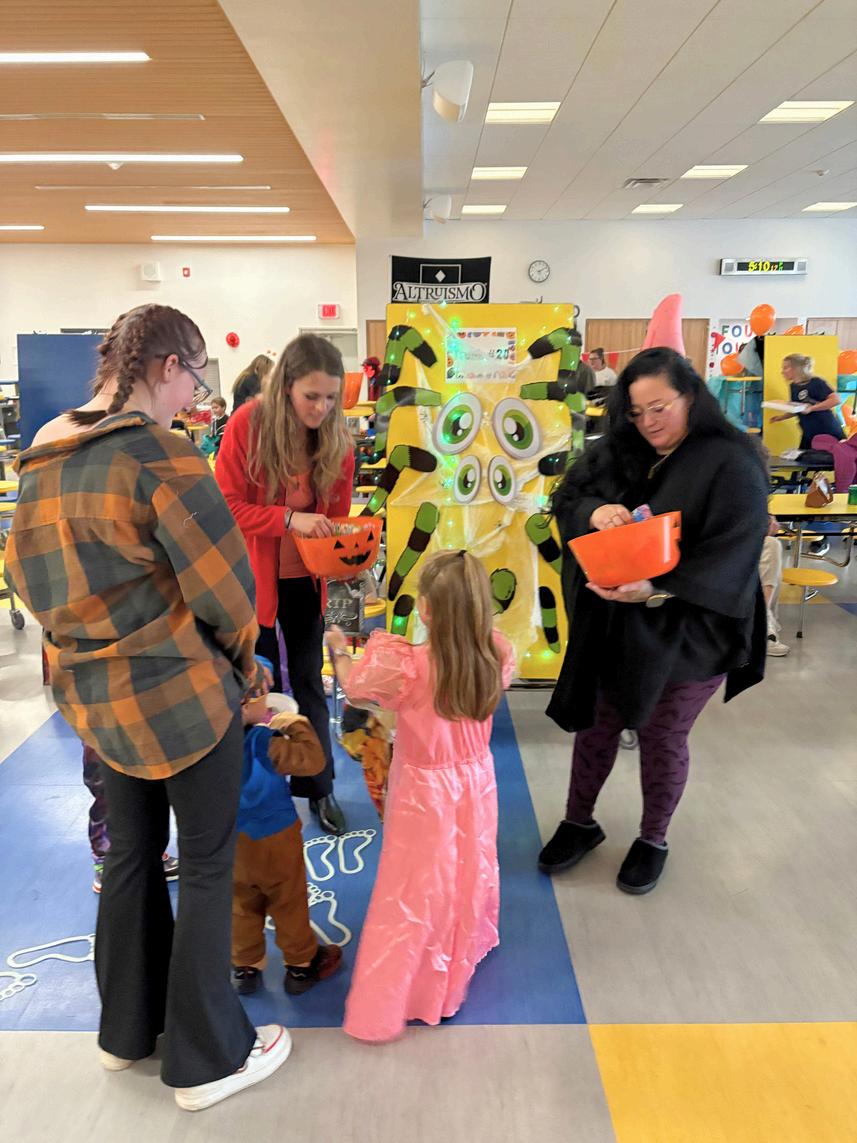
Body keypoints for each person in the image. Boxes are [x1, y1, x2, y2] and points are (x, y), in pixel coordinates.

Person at [4, 304, 290, 1111]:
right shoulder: (161, 455)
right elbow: (227, 593)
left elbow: (27, 579)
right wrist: (245, 670)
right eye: (193, 379)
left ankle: (124, 1030)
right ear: (169, 367)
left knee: (129, 856)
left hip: (96, 700)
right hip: (181, 696)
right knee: (204, 864)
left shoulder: (44, 450)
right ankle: (207, 1058)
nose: (194, 398)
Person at [539, 347, 769, 895]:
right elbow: (566, 498)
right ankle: (579, 822)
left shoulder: (731, 463)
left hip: (693, 629)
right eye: (637, 412)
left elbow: (732, 552)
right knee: (596, 724)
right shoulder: (619, 447)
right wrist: (594, 512)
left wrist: (658, 586)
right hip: (616, 623)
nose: (649, 423)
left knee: (662, 734)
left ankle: (653, 838)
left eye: (660, 407)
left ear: (691, 396)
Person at [326, 550, 515, 1043]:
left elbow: (356, 690)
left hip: (423, 791)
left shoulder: (407, 666)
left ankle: (404, 992)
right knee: (469, 864)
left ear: (426, 610)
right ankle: (461, 947)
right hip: (477, 781)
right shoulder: (497, 651)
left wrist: (340, 651)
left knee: (413, 886)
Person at [216, 334, 355, 836]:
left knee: (310, 683)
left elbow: (337, 516)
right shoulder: (247, 426)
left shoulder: (336, 439)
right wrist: (288, 519)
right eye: (311, 396)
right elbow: (227, 505)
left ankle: (319, 786)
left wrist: (345, 546)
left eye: (331, 398)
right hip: (253, 583)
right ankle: (256, 791)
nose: (321, 408)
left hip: (305, 583)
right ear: (286, 388)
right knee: (255, 688)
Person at [232, 696, 343, 997]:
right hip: (276, 835)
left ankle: (245, 966)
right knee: (288, 899)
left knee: (240, 902)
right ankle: (301, 965)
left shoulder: (205, 741)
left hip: (230, 840)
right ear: (244, 706)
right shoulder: (264, 742)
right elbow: (313, 760)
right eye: (261, 695)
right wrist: (295, 723)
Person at [82, 743, 179, 893]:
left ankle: (150, 854)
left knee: (147, 787)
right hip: (104, 739)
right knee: (109, 794)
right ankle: (106, 865)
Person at [770, 354, 843, 450]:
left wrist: (812, 408)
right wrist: (781, 417)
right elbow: (798, 408)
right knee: (805, 457)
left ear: (796, 369)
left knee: (832, 457)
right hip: (808, 431)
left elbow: (836, 400)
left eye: (786, 368)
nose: (782, 371)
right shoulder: (793, 386)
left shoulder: (816, 382)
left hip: (825, 429)